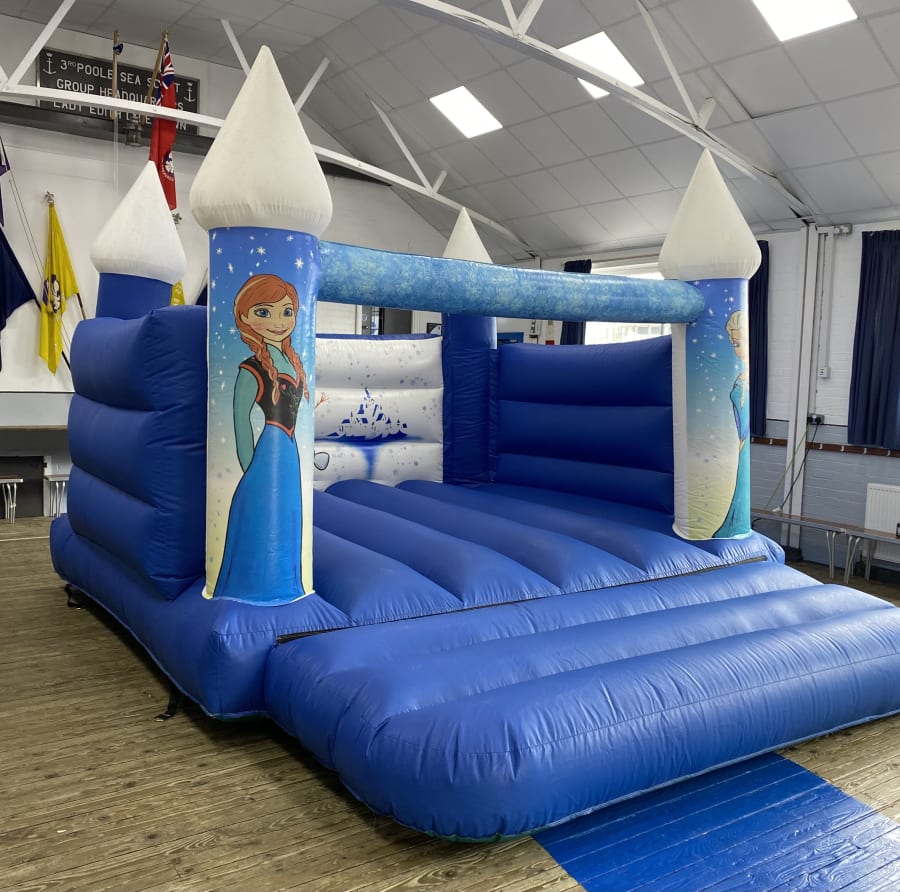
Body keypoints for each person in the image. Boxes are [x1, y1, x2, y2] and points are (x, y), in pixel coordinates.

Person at [213, 274, 310, 601]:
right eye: (264, 312)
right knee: (262, 517)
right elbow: (240, 419)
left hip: (289, 453)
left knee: (288, 515)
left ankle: (286, 581)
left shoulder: (293, 362)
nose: (278, 321)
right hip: (269, 453)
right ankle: (251, 583)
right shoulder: (251, 368)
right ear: (245, 317)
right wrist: (250, 469)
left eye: (286, 312)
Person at [715, 309, 749, 537]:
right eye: (735, 344)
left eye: (741, 342)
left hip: (741, 442)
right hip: (738, 441)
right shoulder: (739, 377)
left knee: (740, 487)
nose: (738, 350)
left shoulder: (745, 378)